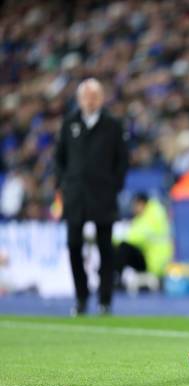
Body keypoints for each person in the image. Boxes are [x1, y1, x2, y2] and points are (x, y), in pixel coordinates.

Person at [55, 78, 129, 316]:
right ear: (79, 99)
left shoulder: (113, 124)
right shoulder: (69, 123)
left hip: (103, 194)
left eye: (95, 96)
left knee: (105, 248)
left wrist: (114, 185)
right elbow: (59, 158)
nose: (90, 100)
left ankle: (105, 300)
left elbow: (122, 160)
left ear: (102, 98)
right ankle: (81, 297)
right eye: (86, 96)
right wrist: (64, 184)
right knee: (73, 245)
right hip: (75, 195)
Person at [114, 192, 173, 283]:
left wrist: (112, 238)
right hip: (158, 261)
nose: (133, 209)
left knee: (123, 247)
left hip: (152, 263)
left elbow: (133, 237)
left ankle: (117, 279)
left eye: (135, 206)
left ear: (141, 204)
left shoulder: (151, 216)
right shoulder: (155, 213)